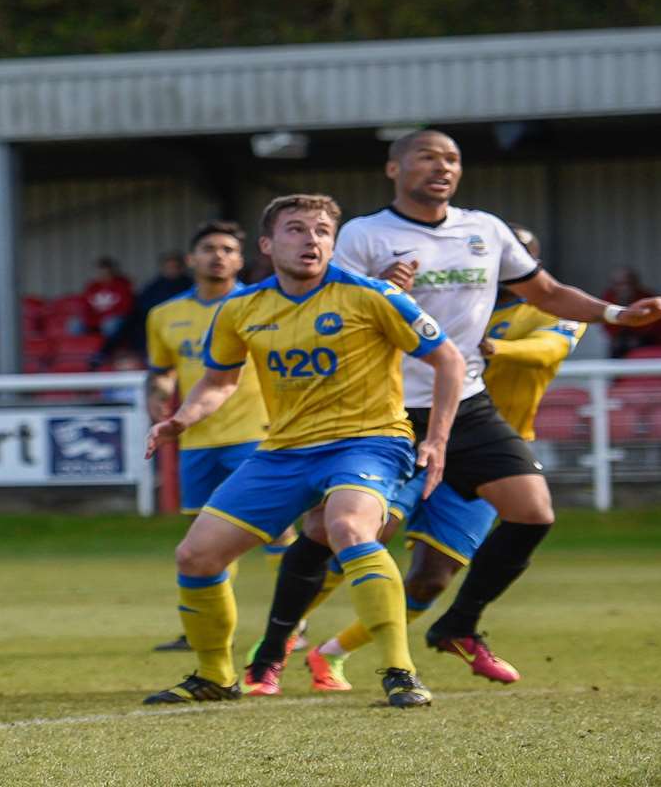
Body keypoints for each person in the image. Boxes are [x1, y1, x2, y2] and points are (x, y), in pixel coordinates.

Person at [244, 131, 661, 690]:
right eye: (427, 157)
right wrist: (379, 290)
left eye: (451, 158)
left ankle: (459, 624)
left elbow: (546, 292)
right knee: (331, 532)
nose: (442, 167)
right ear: (394, 168)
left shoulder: (485, 229)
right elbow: (320, 302)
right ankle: (273, 652)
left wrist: (620, 313)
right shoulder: (364, 235)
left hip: (465, 401)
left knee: (532, 511)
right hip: (386, 408)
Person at [142, 193, 464, 710]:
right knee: (196, 555)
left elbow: (448, 358)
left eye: (320, 231)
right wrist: (182, 417)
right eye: (296, 229)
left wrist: (438, 438)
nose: (310, 240)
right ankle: (215, 676)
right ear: (267, 245)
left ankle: (400, 671)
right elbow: (219, 381)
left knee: (348, 528)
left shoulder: (373, 295)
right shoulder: (241, 308)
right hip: (285, 450)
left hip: (368, 441)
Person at [306, 222, 586, 691]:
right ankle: (273, 646)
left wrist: (496, 348)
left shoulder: (549, 313)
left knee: (432, 579)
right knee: (364, 532)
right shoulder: (440, 308)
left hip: (489, 449)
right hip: (416, 437)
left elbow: (549, 350)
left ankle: (330, 653)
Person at [143, 220, 282, 655]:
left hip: (255, 435)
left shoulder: (261, 305)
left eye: (227, 249)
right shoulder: (164, 315)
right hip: (198, 441)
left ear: (240, 260)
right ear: (191, 259)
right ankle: (202, 629)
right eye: (208, 248)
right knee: (201, 538)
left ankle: (294, 626)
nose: (218, 255)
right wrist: (159, 396)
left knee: (276, 532)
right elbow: (162, 369)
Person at [601, 266, 661, 355]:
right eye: (619, 284)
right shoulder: (608, 298)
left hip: (650, 341)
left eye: (628, 283)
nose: (624, 287)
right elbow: (607, 324)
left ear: (635, 283)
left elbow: (653, 326)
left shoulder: (646, 298)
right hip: (621, 342)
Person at [77, 257, 135, 337]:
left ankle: (108, 348)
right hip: (95, 319)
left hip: (113, 319)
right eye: (100, 273)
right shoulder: (92, 287)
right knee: (75, 325)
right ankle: (83, 348)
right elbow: (85, 306)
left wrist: (104, 317)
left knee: (109, 325)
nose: (103, 276)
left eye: (106, 273)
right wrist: (92, 319)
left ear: (112, 272)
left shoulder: (122, 285)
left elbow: (125, 308)